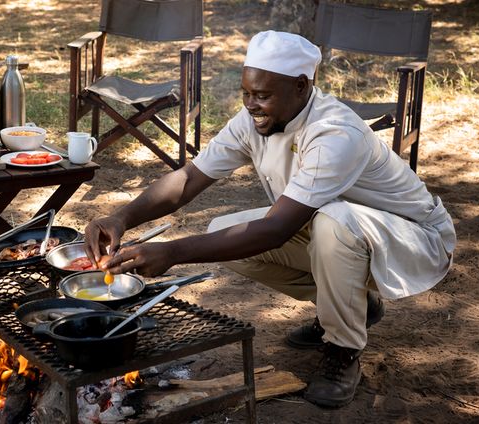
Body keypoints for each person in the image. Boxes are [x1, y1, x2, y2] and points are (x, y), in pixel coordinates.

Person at [83, 30, 456, 408]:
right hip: (351, 234)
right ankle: (355, 305)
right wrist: (121, 217)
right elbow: (188, 180)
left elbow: (276, 230)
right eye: (246, 92)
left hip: (413, 239)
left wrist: (173, 252)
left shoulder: (334, 133)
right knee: (222, 235)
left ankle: (343, 351)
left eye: (262, 95)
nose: (251, 104)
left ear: (300, 86)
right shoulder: (254, 120)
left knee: (333, 224)